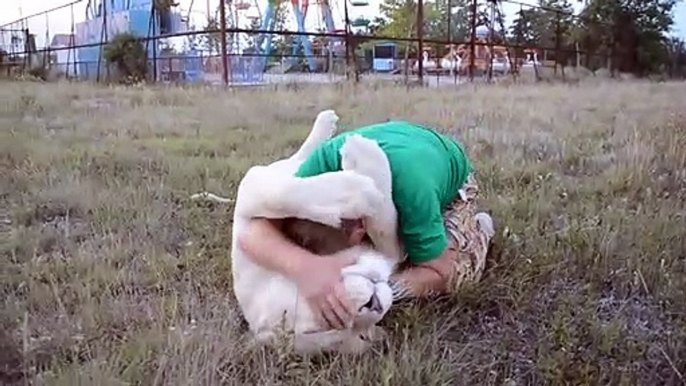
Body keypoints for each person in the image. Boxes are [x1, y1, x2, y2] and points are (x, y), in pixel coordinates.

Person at [238, 120, 495, 331]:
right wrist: (307, 267)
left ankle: (480, 229)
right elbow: (253, 234)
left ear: (359, 229)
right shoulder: (317, 172)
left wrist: (378, 292)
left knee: (457, 274)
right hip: (398, 143)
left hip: (450, 175)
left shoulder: (413, 193)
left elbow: (440, 271)